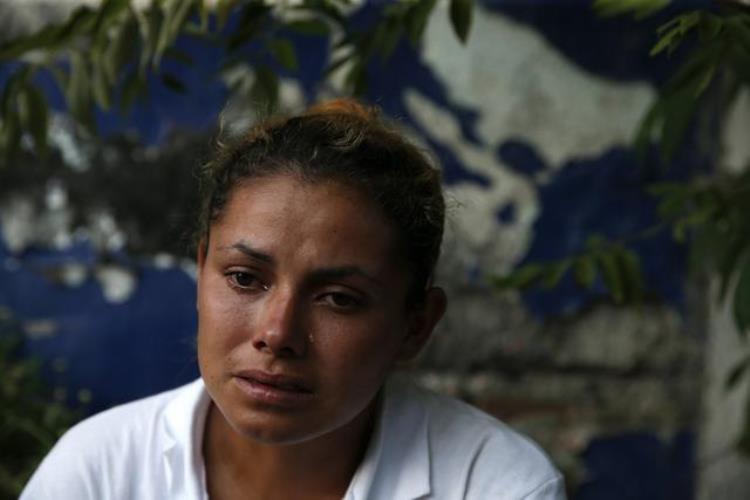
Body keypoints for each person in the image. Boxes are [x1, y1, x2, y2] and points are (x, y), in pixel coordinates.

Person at [21, 99, 565, 499]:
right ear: (202, 268)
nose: (277, 333)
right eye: (244, 278)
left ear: (415, 325)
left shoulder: (492, 485)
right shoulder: (99, 472)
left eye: (339, 299)